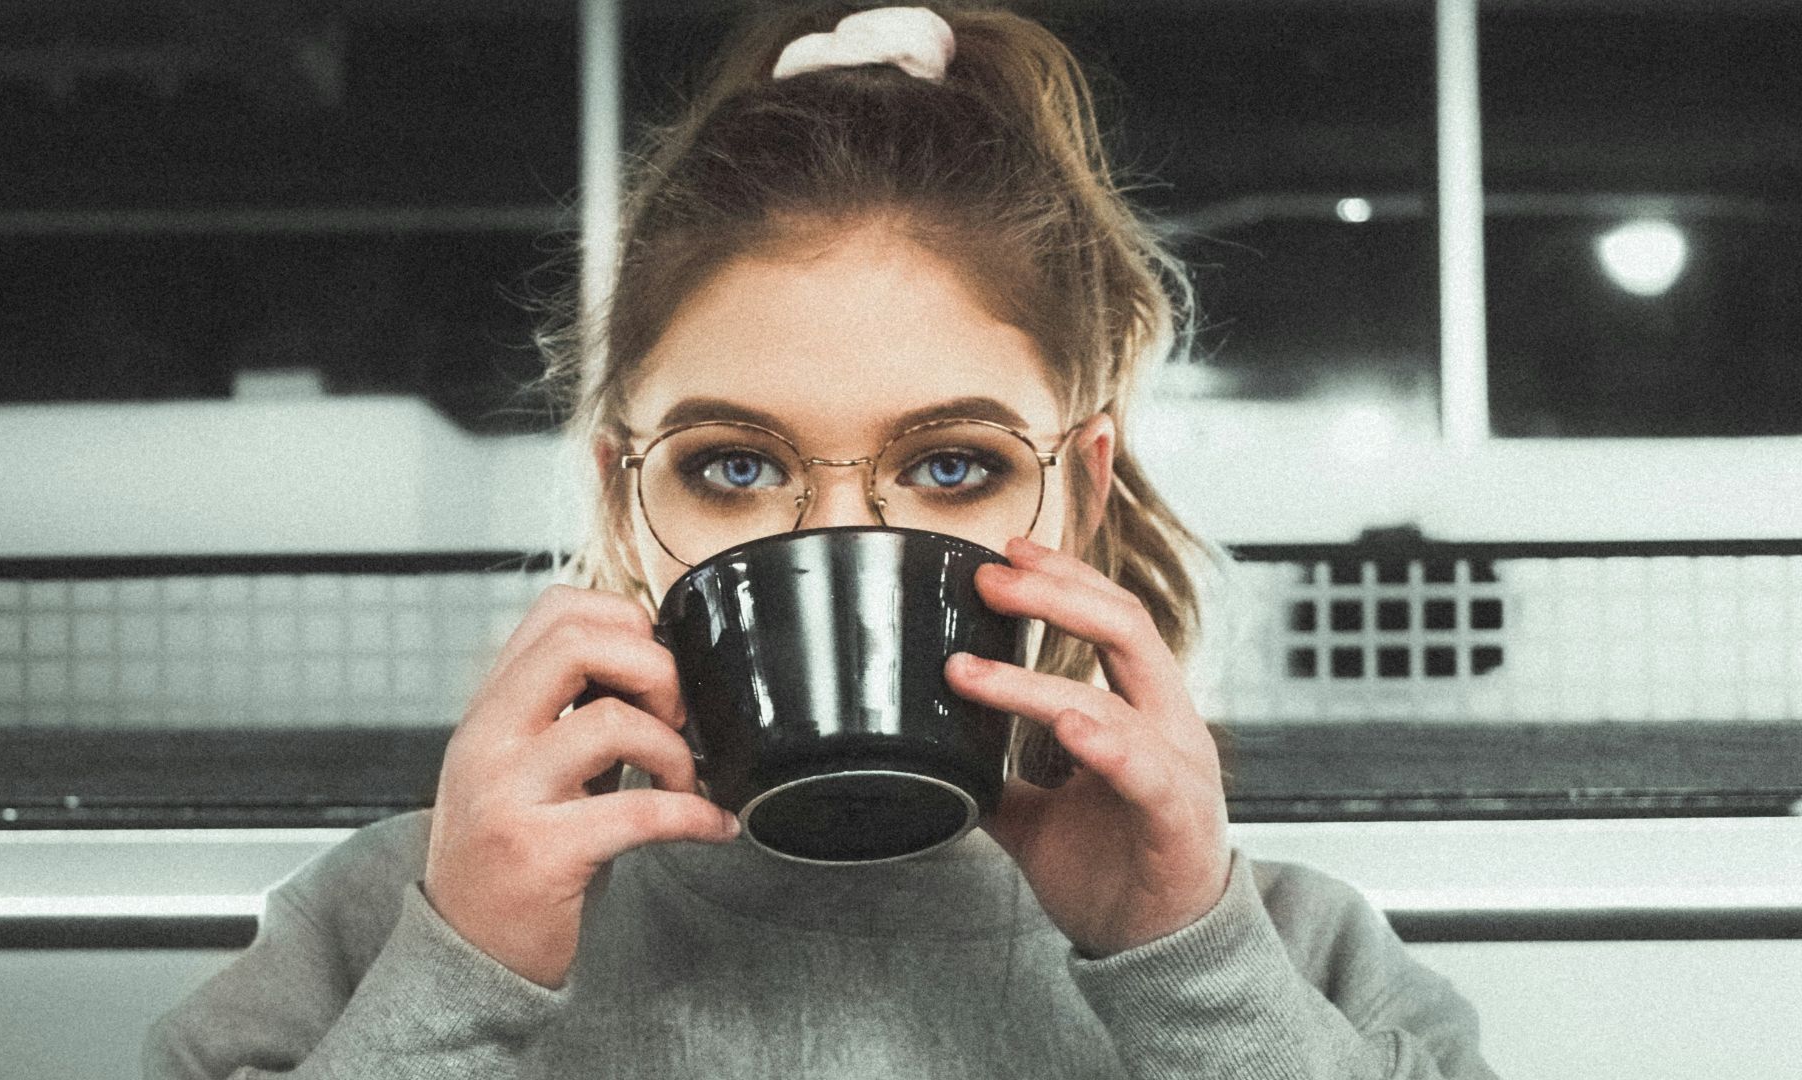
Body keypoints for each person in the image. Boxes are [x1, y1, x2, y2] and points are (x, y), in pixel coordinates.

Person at [146, 5, 1496, 1077]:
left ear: (1074, 494)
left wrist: (1193, 971)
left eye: (953, 465)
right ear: (626, 492)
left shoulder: (1287, 958)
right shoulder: (393, 924)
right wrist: (460, 982)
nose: (843, 538)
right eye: (734, 465)